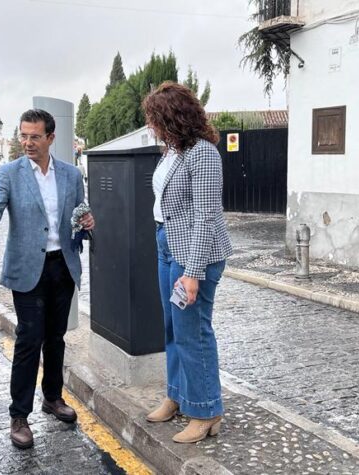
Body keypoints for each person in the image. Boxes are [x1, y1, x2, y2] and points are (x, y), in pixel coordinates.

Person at [0, 109, 94, 450]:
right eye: (23, 135)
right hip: (28, 268)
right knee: (29, 340)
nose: (27, 142)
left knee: (56, 338)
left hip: (63, 265)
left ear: (50, 138)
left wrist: (86, 219)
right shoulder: (10, 173)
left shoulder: (71, 175)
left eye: (34, 136)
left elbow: (79, 209)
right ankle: (19, 415)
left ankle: (52, 398)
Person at [142, 82, 232, 443]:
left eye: (156, 119)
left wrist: (192, 273)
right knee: (172, 327)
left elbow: (205, 217)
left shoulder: (203, 154)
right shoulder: (172, 152)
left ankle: (206, 410)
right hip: (166, 243)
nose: (152, 127)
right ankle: (177, 396)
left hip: (197, 253)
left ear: (174, 118)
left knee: (193, 331)